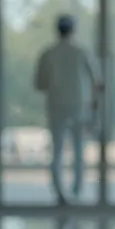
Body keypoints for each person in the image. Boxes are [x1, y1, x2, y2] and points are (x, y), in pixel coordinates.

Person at [34, 14, 100, 204]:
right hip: (79, 105)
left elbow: (40, 84)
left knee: (57, 150)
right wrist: (94, 105)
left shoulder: (48, 53)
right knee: (79, 150)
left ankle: (59, 193)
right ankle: (76, 191)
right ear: (73, 30)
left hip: (56, 105)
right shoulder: (81, 52)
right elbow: (95, 80)